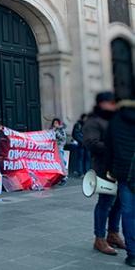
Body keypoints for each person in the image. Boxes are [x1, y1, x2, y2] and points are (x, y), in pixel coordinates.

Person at [83, 91, 124, 255]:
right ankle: (99, 238)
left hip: (121, 168)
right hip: (104, 169)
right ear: (102, 103)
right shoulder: (93, 121)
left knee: (120, 203)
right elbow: (92, 143)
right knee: (105, 203)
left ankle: (113, 234)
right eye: (112, 103)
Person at [106, 100, 135, 267]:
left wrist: (111, 170)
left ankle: (133, 254)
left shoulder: (116, 120)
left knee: (129, 214)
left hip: (124, 172)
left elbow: (110, 148)